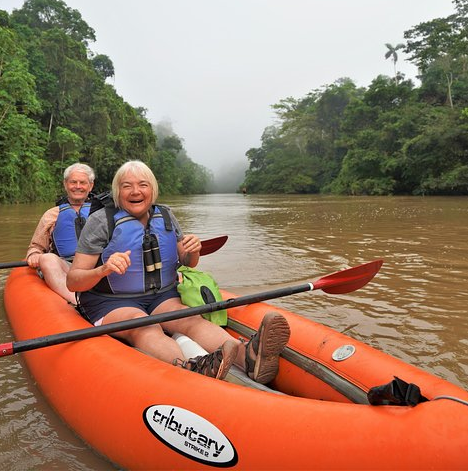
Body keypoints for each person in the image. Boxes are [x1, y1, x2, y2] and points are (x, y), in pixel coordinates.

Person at [66, 160, 290, 382]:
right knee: (144, 324)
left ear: (153, 189)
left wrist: (193, 251)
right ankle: (190, 367)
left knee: (190, 319)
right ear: (117, 191)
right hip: (110, 301)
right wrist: (103, 270)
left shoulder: (165, 216)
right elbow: (73, 282)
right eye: (127, 186)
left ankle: (247, 357)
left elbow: (188, 262)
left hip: (161, 295)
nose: (135, 191)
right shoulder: (101, 221)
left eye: (143, 185)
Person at [26, 163, 95, 304]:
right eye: (73, 182)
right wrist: (34, 255)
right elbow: (36, 246)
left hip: (97, 267)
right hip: (66, 267)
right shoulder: (52, 214)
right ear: (65, 184)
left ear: (90, 186)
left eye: (83, 183)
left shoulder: (103, 213)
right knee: (47, 259)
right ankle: (77, 303)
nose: (78, 186)